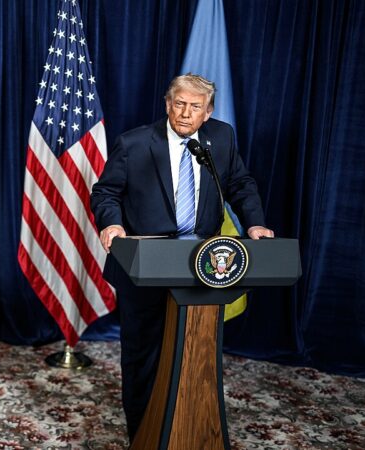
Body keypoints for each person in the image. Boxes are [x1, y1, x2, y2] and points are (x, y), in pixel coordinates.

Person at [90, 73, 273, 440]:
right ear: (167, 104)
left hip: (203, 265)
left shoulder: (221, 138)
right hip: (145, 264)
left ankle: (192, 428)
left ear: (208, 112)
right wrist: (112, 226)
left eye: (194, 107)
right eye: (179, 104)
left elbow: (239, 183)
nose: (185, 113)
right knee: (144, 356)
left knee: (194, 353)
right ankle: (142, 433)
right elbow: (106, 192)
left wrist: (254, 225)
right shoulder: (136, 143)